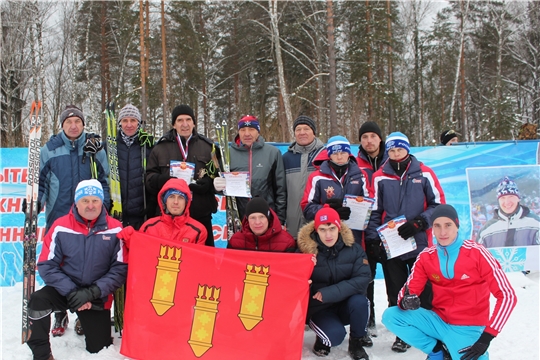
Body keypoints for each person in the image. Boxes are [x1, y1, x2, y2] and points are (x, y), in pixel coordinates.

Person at [382, 204, 517, 360]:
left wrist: (487, 337)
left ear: (457, 226)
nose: (443, 232)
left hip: (467, 328)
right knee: (391, 316)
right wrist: (406, 301)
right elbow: (407, 292)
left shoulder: (477, 253)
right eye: (437, 226)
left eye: (448, 225)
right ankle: (436, 350)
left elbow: (507, 296)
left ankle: (453, 346)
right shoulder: (426, 256)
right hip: (437, 321)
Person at [27, 180, 127, 360]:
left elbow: (119, 269)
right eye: (85, 201)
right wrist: (73, 292)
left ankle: (85, 318)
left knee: (100, 349)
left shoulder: (115, 229)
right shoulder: (60, 226)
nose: (90, 205)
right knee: (37, 301)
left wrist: (92, 292)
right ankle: (42, 354)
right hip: (65, 290)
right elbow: (46, 265)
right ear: (76, 202)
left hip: (96, 295)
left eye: (95, 200)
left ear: (102, 202)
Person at [365, 131, 445, 353]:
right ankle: (402, 333)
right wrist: (373, 239)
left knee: (425, 289)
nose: (395, 153)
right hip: (393, 244)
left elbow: (438, 205)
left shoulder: (425, 173)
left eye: (399, 149)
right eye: (391, 150)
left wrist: (420, 222)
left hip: (419, 242)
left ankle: (430, 329)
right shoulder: (380, 176)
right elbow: (374, 211)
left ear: (408, 150)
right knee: (396, 290)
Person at [37, 105, 111, 337]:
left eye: (77, 121)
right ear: (62, 125)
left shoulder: (93, 148)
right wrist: (35, 203)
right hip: (58, 218)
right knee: (59, 265)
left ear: (83, 124)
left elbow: (105, 180)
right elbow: (40, 183)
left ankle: (82, 313)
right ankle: (60, 314)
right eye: (69, 121)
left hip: (87, 219)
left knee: (86, 265)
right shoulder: (49, 150)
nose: (73, 125)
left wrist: (104, 209)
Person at [297, 205, 372, 360]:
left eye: (332, 228)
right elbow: (295, 284)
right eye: (323, 229)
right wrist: (307, 283)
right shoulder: (305, 252)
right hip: (319, 309)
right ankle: (322, 336)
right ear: (316, 230)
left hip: (345, 305)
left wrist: (328, 293)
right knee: (334, 337)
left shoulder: (354, 249)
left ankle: (356, 342)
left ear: (339, 228)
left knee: (361, 302)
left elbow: (363, 278)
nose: (328, 234)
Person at [145, 105, 219, 246]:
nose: (184, 124)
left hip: (200, 214)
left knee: (204, 262)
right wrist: (163, 181)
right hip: (169, 219)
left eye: (188, 119)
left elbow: (218, 176)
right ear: (173, 124)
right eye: (179, 120)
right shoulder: (160, 148)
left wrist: (209, 183)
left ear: (194, 122)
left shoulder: (209, 147)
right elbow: (149, 179)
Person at [355, 121, 389, 335]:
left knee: (395, 278)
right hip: (364, 232)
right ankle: (368, 320)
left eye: (373, 136)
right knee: (366, 278)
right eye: (365, 137)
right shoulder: (354, 164)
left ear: (379, 139)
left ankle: (397, 319)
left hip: (392, 230)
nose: (369, 141)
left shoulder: (392, 159)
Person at [227, 115, 287, 224]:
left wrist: (280, 220)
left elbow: (280, 189)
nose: (247, 134)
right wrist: (218, 185)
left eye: (251, 129)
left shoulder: (272, 153)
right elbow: (222, 189)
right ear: (238, 132)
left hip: (266, 216)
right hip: (239, 217)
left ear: (258, 131)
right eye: (243, 130)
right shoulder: (228, 154)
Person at [282, 115, 325, 239]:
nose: (302, 133)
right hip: (292, 224)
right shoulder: (286, 158)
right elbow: (281, 191)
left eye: (306, 129)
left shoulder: (324, 155)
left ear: (314, 132)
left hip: (318, 223)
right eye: (298, 129)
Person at [116, 104, 154, 230]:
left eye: (133, 120)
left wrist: (150, 203)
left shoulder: (147, 146)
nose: (129, 124)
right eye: (125, 120)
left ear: (138, 123)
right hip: (116, 214)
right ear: (119, 123)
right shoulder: (110, 146)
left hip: (140, 215)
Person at [137, 178, 207, 244]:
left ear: (186, 202)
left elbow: (199, 256)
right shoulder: (149, 227)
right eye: (171, 197)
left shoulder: (198, 231)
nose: (176, 202)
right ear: (165, 201)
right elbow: (138, 251)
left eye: (180, 198)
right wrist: (128, 240)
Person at [477, 176, 540, 248]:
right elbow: (476, 256)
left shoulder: (536, 224)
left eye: (511, 196)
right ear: (498, 200)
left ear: (518, 198)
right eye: (503, 198)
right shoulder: (486, 231)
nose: (507, 202)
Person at [228, 196, 296, 252]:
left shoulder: (287, 242)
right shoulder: (235, 241)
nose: (257, 222)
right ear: (247, 219)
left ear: (268, 218)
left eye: (262, 217)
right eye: (253, 218)